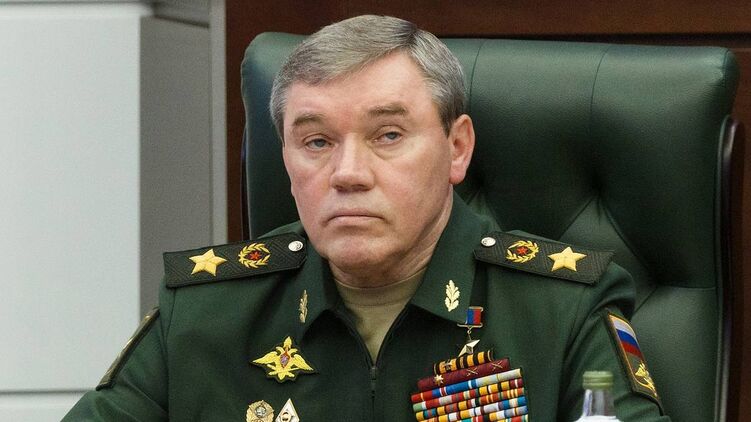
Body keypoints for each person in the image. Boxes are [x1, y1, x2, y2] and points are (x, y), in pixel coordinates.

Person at [64, 15, 670, 421]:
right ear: (286, 161)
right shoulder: (205, 313)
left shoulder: (561, 309)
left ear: (457, 148)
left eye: (387, 135)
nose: (348, 173)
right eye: (317, 142)